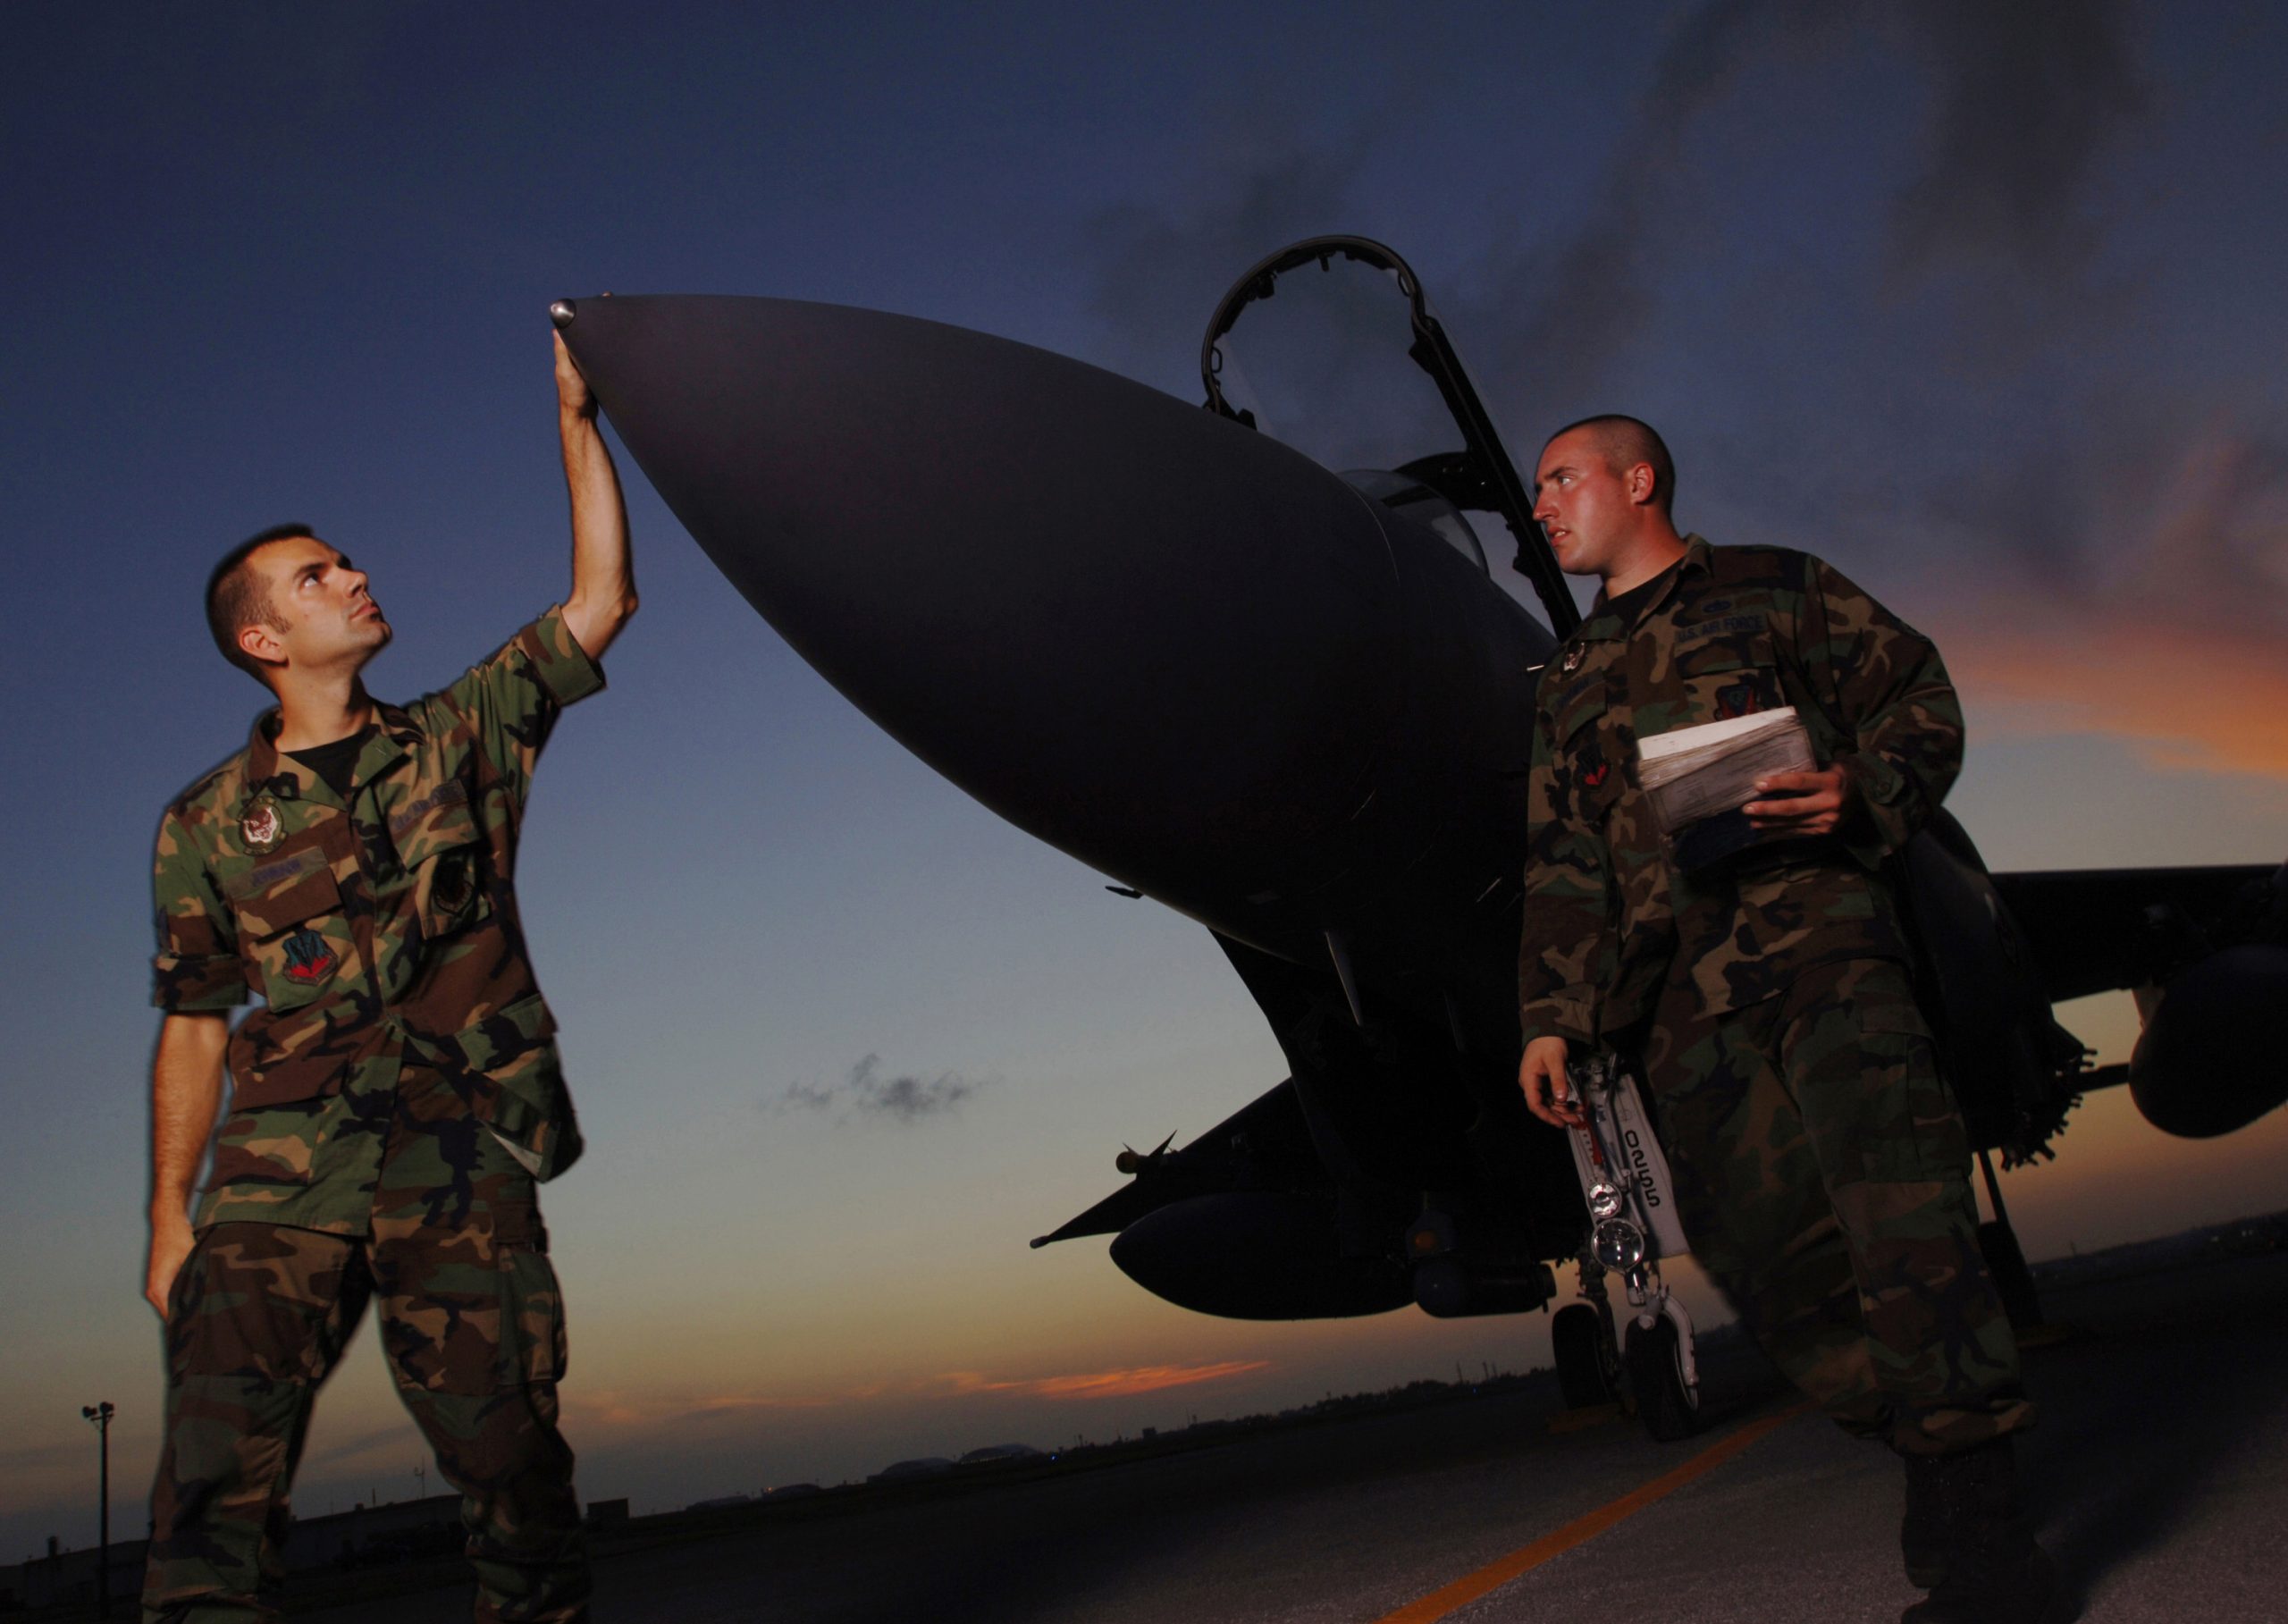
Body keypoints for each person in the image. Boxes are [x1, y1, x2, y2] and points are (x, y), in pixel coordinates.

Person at [1513, 416, 2059, 1624]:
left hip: (1825, 954)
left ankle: (1988, 1540)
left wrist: (1858, 787)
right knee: (1767, 1255)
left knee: (1900, 1220)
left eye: (1561, 478)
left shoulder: (1778, 586)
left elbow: (1918, 695)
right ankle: (1920, 1433)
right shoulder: (1568, 684)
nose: (1542, 502)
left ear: (1635, 480)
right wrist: (1551, 1016)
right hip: (1680, 1009)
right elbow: (1564, 865)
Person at [139, 332, 635, 1624]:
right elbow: (193, 1025)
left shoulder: (460, 737)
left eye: (348, 560)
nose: (355, 575)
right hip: (276, 1170)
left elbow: (600, 602)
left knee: (514, 1468)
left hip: (458, 1148)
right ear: (264, 636)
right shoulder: (201, 827)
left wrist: (578, 418)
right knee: (208, 1491)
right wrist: (167, 1219)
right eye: (319, 574)